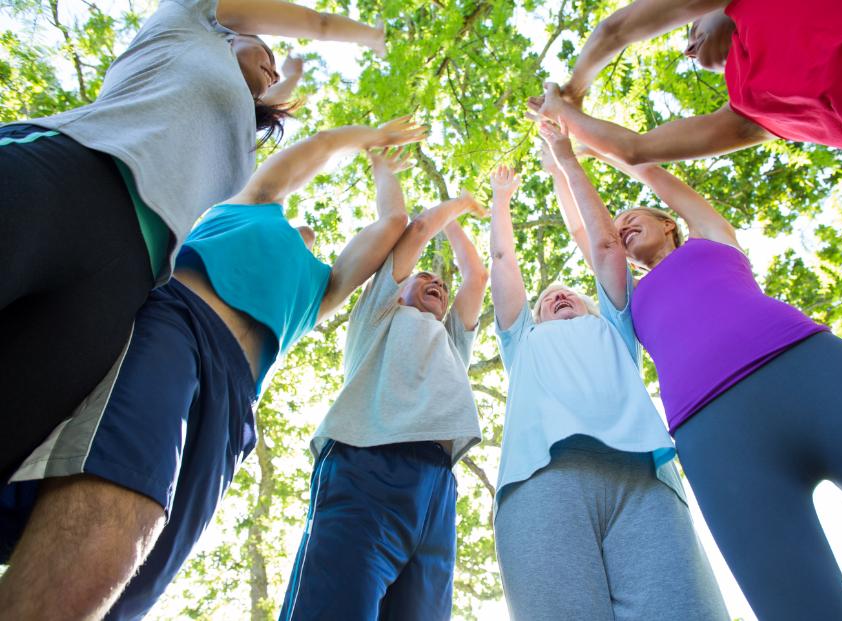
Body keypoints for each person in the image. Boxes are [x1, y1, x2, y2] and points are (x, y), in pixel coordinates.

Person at [0, 116, 426, 620]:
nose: (308, 230)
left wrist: (383, 169)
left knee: (146, 567)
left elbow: (391, 225)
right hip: (177, 324)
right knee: (123, 486)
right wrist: (367, 137)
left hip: (236, 398)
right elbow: (322, 143)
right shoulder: (252, 204)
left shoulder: (321, 288)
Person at [539, 119, 842, 621]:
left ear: (669, 224)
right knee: (798, 607)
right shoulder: (625, 295)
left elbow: (653, 172)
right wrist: (562, 159)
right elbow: (588, 234)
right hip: (716, 436)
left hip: (815, 374)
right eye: (615, 225)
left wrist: (597, 145)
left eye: (633, 214)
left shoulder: (713, 237)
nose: (621, 224)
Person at [0, 0, 386, 481]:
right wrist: (371, 36)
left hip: (129, 269)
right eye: (262, 49)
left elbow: (263, 100)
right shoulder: (187, 22)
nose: (268, 63)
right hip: (73, 173)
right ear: (230, 33)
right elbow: (316, 22)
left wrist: (287, 78)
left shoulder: (241, 128)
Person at [488, 162, 728, 621]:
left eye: (571, 293)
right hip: (542, 481)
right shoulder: (522, 341)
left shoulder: (615, 327)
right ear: (531, 317)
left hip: (643, 481)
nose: (557, 296)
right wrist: (501, 198)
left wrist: (559, 158)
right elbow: (503, 261)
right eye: (545, 299)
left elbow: (603, 247)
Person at [278, 190, 489, 621]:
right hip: (367, 464)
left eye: (443, 286)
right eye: (426, 276)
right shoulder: (378, 316)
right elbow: (418, 230)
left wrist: (457, 226)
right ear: (396, 289)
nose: (439, 285)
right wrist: (458, 204)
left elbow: (477, 278)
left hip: (436, 487)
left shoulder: (451, 344)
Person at [530, 0, 842, 184]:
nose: (689, 48)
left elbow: (616, 30)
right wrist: (565, 116)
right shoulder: (750, 112)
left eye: (689, 30)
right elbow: (637, 149)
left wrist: (573, 89)